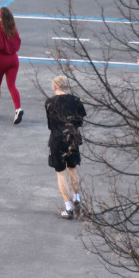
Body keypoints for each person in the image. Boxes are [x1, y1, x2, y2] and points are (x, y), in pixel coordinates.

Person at [45, 75, 87, 219]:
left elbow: (50, 124)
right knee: (73, 169)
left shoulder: (50, 102)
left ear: (55, 87)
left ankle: (68, 207)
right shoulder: (76, 101)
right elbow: (80, 120)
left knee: (61, 173)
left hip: (57, 140)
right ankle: (77, 199)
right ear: (67, 87)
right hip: (73, 138)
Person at [0, 6, 23, 124]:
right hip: (14, 59)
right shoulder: (13, 28)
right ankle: (18, 108)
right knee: (12, 85)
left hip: (1, 59)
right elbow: (18, 43)